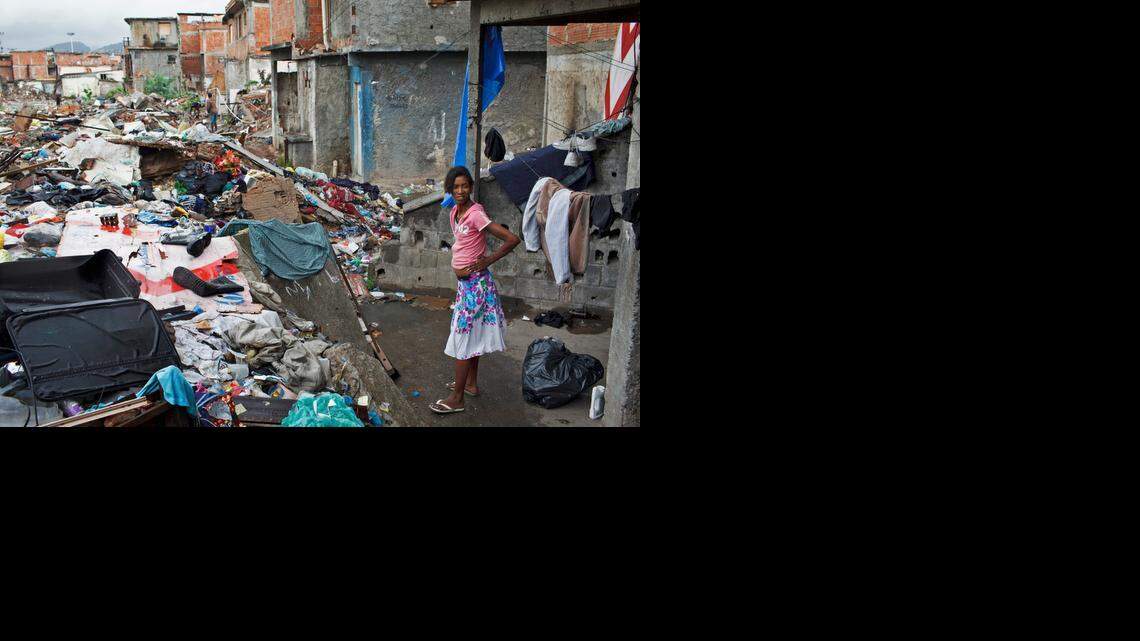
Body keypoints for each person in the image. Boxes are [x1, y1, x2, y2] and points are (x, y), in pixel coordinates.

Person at [430, 166, 521, 415]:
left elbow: (512, 239)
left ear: (470, 187)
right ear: (450, 189)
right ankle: (470, 384)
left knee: (463, 339)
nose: (460, 191)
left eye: (465, 186)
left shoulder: (476, 214)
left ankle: (457, 398)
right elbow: (463, 244)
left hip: (476, 286)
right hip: (466, 286)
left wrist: (486, 261)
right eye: (456, 187)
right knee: (473, 336)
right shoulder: (453, 213)